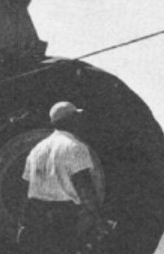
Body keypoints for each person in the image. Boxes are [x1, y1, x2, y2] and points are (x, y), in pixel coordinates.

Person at [19, 101, 108, 254]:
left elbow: (25, 187)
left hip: (34, 215)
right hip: (62, 217)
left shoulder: (37, 149)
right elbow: (83, 187)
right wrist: (98, 219)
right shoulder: (76, 147)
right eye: (76, 117)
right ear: (70, 121)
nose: (80, 121)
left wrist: (22, 222)